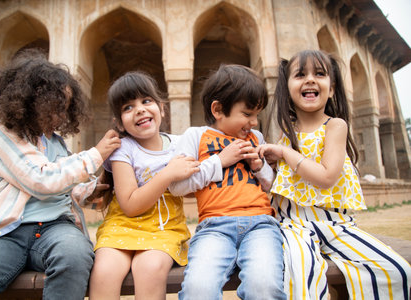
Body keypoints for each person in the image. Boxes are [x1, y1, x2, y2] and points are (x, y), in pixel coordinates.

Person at [0, 49, 121, 300]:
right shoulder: (4, 133)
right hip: (5, 231)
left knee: (75, 258)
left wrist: (89, 190)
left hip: (56, 228)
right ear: (30, 101)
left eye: (65, 109)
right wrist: (96, 155)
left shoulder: (55, 142)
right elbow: (40, 180)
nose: (61, 116)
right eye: (56, 108)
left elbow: (63, 187)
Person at [258, 49, 411, 299]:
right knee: (301, 275)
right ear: (287, 88)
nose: (310, 79)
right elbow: (282, 185)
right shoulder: (287, 134)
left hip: (336, 224)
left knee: (395, 270)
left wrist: (285, 153)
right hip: (294, 226)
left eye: (319, 74)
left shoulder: (335, 126)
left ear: (331, 88)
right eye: (300, 74)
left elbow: (327, 177)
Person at [169, 64, 286, 300]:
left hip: (260, 224)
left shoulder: (257, 138)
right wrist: (219, 161)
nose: (254, 122)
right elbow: (177, 186)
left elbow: (271, 187)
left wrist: (259, 167)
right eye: (247, 114)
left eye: (256, 115)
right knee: (198, 290)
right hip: (215, 227)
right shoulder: (196, 136)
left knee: (264, 286)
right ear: (218, 109)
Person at [88, 71, 200, 300]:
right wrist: (167, 174)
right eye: (128, 107)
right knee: (104, 272)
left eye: (146, 101)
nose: (139, 109)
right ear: (119, 122)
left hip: (164, 228)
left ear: (162, 108)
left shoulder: (180, 145)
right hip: (122, 225)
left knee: (149, 269)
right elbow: (129, 205)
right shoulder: (123, 149)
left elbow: (193, 186)